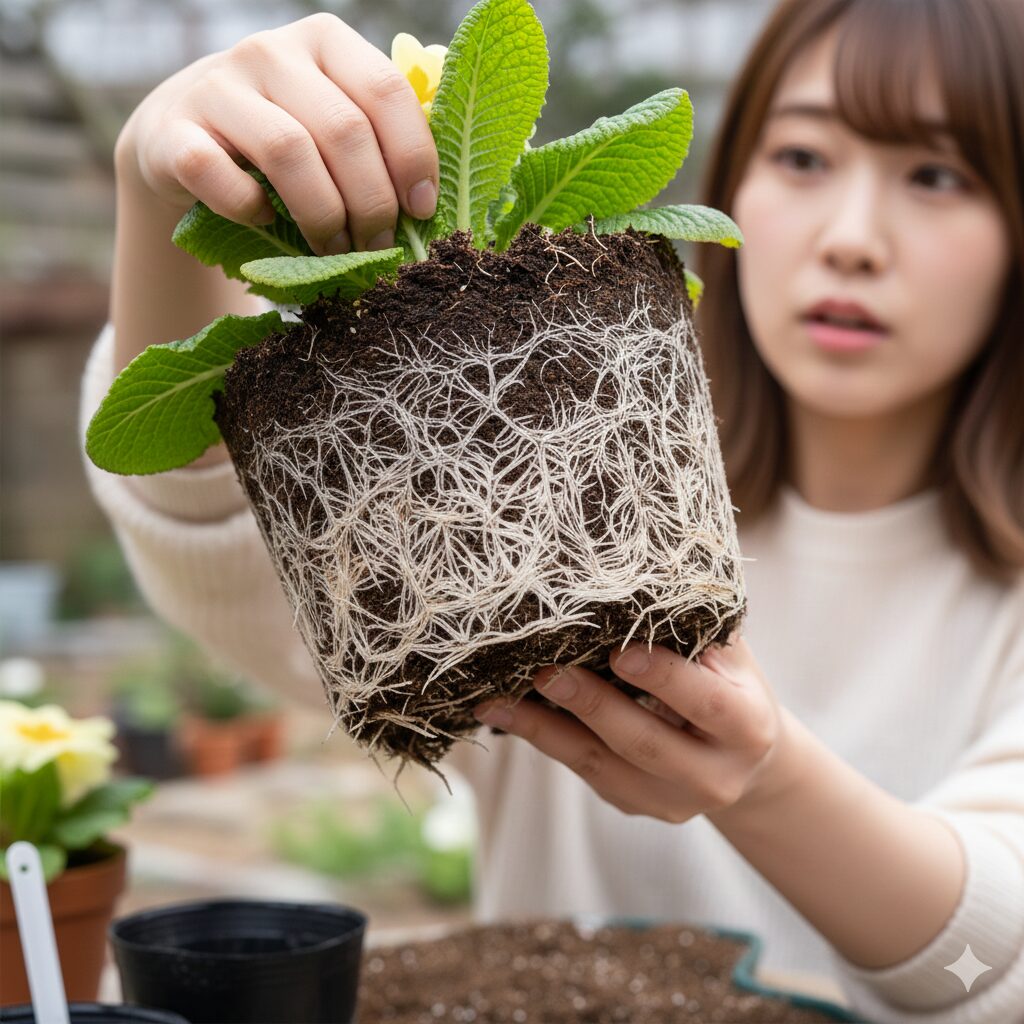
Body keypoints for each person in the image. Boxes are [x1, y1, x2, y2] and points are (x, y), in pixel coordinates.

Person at [80, 0, 1024, 1020]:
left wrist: (765, 781)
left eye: (935, 175)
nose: (851, 238)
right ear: (740, 170)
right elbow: (213, 510)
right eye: (802, 156)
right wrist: (156, 182)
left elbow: (993, 969)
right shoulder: (546, 485)